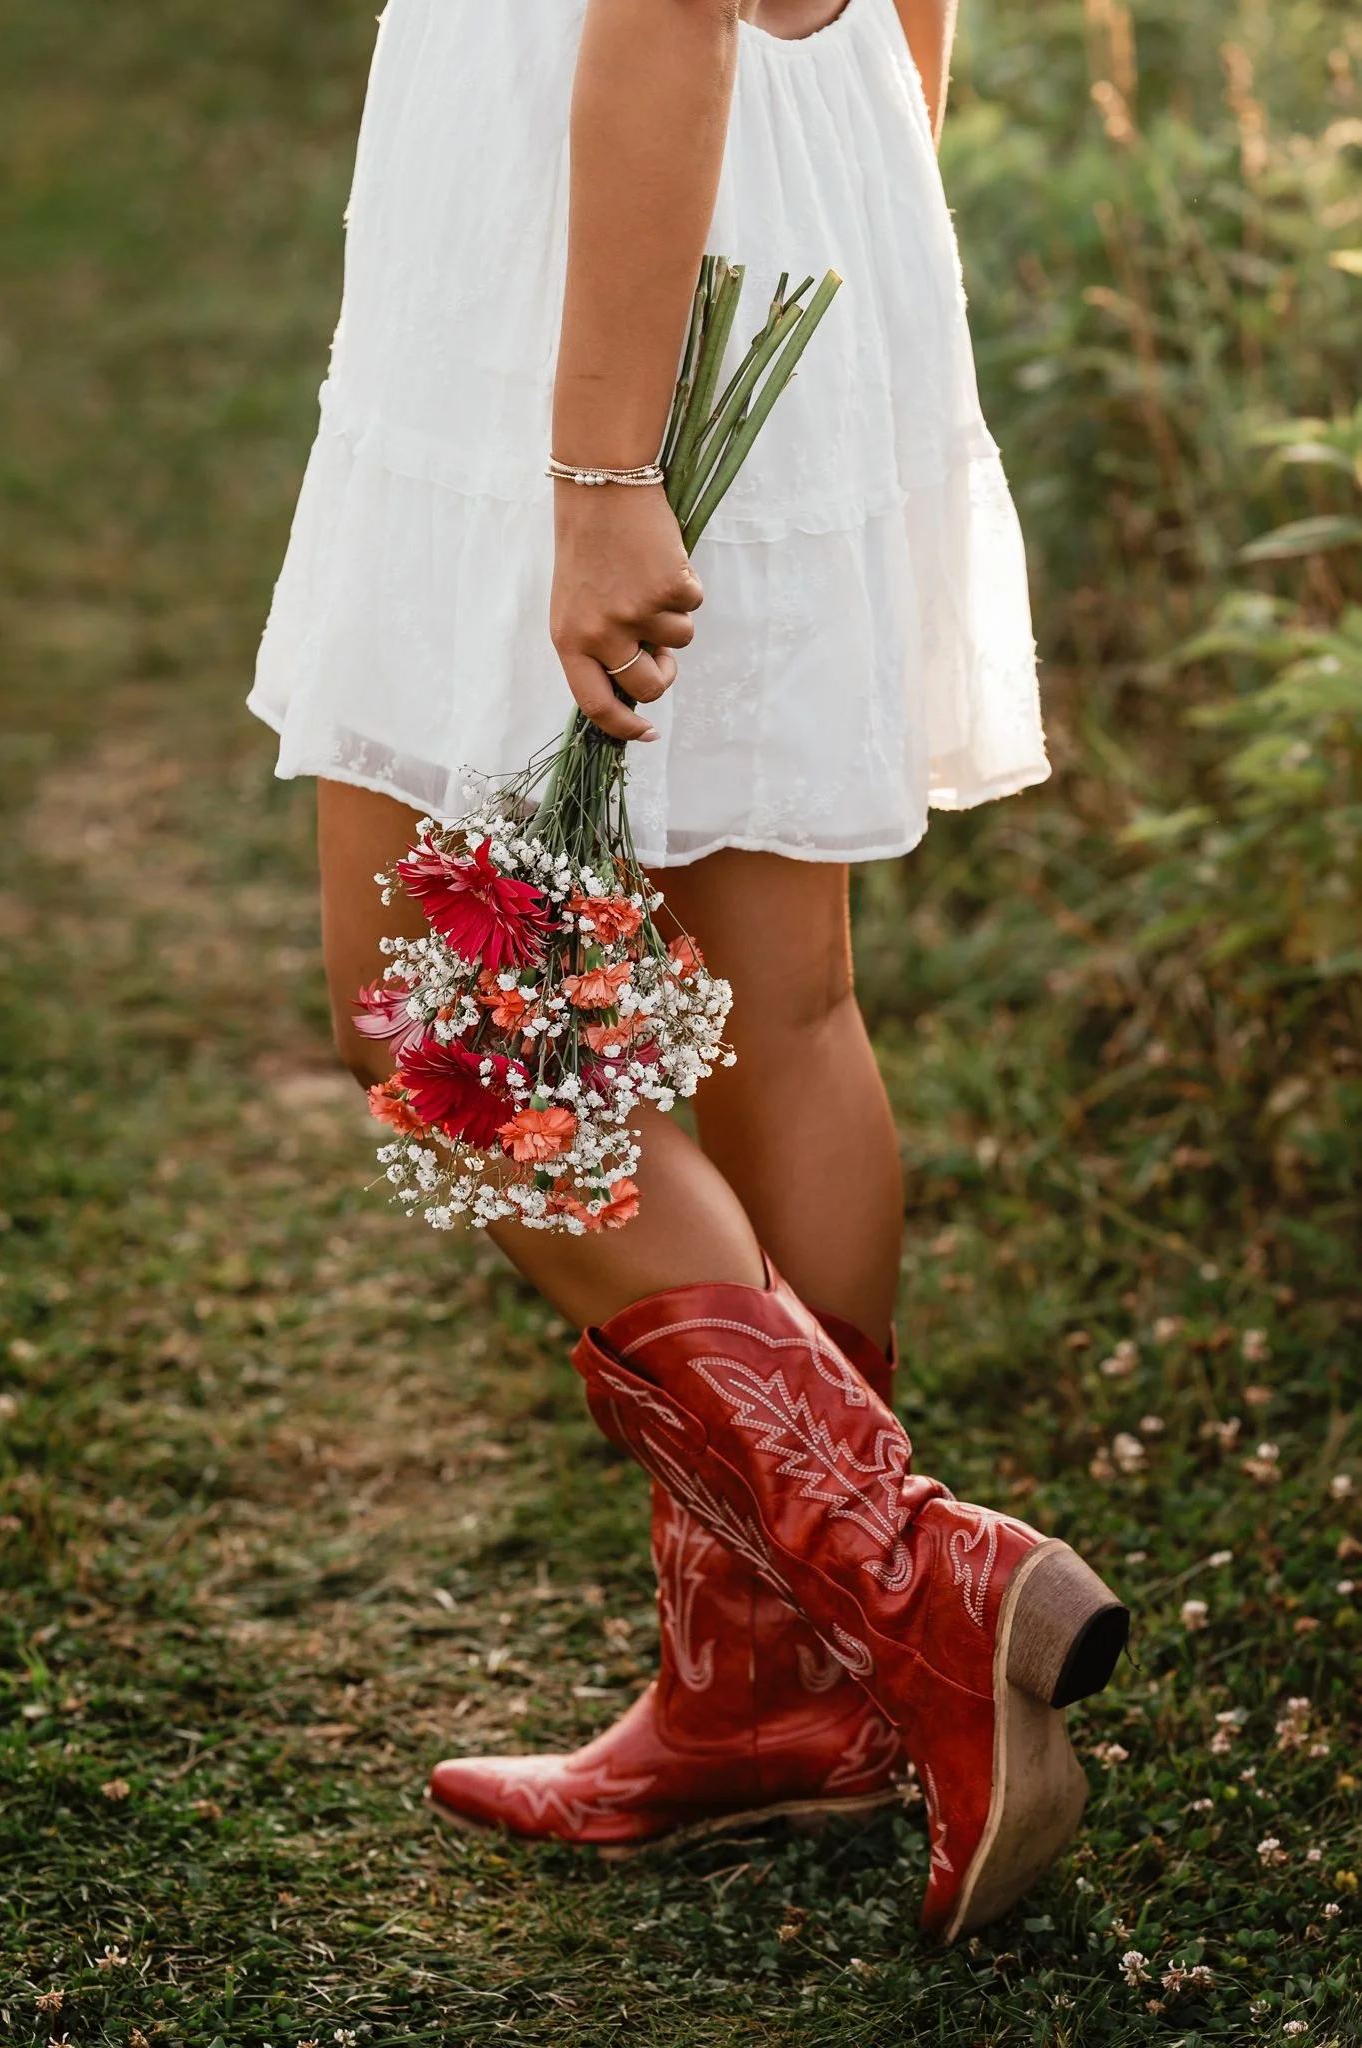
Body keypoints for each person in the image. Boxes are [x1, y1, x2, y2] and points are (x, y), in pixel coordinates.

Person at [247, 0, 1128, 1942]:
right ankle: (778, 1699)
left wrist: (594, 468)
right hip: (789, 178)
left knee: (443, 1030)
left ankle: (910, 1592)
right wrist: (869, 198)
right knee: (780, 1006)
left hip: (591, 237)